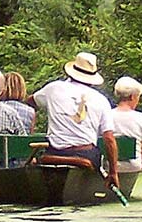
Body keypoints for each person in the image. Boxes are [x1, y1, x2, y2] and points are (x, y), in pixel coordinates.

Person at [32, 51, 119, 184]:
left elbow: (31, 102)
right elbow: (109, 139)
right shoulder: (101, 100)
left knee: (35, 159)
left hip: (55, 152)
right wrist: (113, 173)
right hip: (86, 154)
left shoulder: (53, 88)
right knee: (98, 155)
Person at [110, 76, 142, 173]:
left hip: (109, 165)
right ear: (132, 97)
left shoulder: (107, 114)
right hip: (133, 165)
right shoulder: (141, 117)